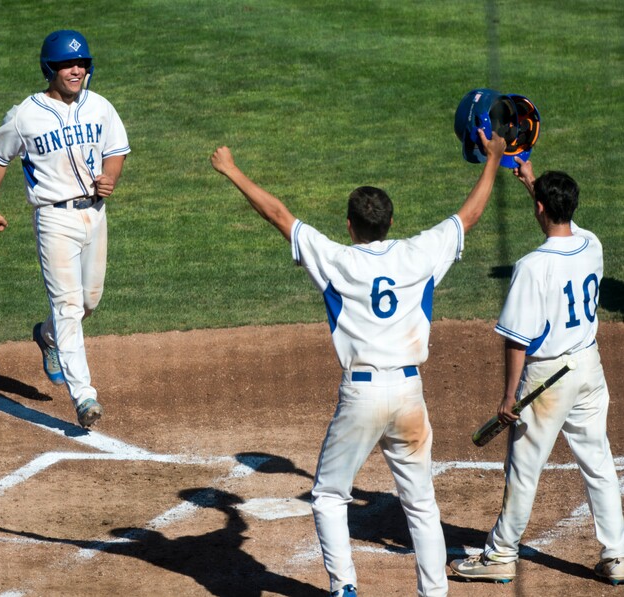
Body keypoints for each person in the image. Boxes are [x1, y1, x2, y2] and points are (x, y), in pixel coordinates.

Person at [211, 129, 506, 597]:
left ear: (350, 225)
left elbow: (278, 214)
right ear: (390, 222)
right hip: (410, 394)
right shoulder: (419, 253)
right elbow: (468, 216)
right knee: (421, 503)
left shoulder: (336, 259)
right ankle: (434, 593)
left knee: (328, 496)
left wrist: (231, 170)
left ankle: (345, 588)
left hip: (362, 394)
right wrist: (492, 159)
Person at [450, 159, 624, 585]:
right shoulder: (593, 245)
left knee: (523, 469)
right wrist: (533, 183)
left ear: (540, 209)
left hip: (547, 379)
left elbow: (517, 339)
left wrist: (510, 395)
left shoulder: (531, 266)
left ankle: (500, 554)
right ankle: (618, 556)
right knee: (598, 461)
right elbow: (561, 225)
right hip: (588, 368)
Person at [0, 30, 130, 428]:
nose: (75, 70)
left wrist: (109, 177)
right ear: (50, 68)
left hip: (95, 216)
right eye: (66, 64)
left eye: (81, 64)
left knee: (88, 303)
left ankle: (46, 337)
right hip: (54, 219)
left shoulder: (99, 107)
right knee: (68, 307)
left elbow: (115, 151)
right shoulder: (25, 114)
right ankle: (84, 396)